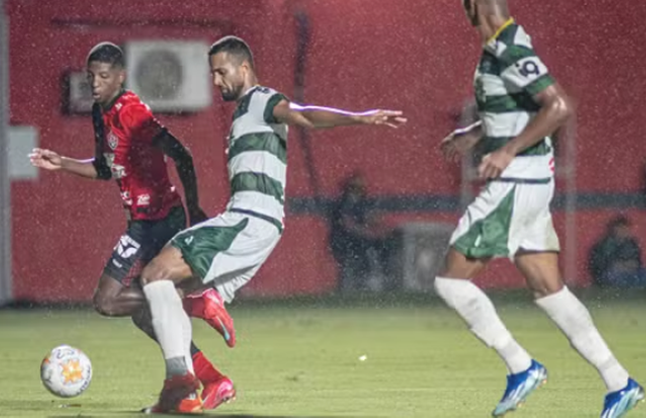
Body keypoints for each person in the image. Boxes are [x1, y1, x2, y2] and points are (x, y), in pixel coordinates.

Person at [136, 35, 405, 414]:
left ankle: (180, 384)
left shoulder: (260, 99)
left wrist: (358, 117)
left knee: (155, 274)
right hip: (256, 224)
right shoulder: (244, 113)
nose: (216, 81)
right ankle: (211, 374)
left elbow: (303, 115)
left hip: (248, 219)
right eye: (212, 74)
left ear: (244, 68)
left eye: (221, 72)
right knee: (149, 306)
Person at [437, 2, 644, 417]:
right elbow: (523, 107)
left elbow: (559, 106)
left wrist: (508, 151)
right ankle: (619, 382)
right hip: (532, 183)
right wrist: (476, 132)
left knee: (451, 282)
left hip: (516, 183)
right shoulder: (502, 45)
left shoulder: (508, 47)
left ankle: (521, 366)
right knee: (549, 290)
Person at [28, 42, 236, 410]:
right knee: (142, 314)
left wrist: (194, 207)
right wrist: (62, 163)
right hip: (142, 221)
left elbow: (181, 153)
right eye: (91, 76)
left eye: (103, 76)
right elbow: (105, 168)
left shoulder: (132, 112)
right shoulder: (101, 111)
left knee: (109, 301)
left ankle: (195, 305)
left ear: (120, 77)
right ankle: (209, 379)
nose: (95, 83)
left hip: (160, 218)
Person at [329, 172, 390, 293]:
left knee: (377, 249)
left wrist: (381, 228)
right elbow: (347, 224)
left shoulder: (360, 203)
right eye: (357, 187)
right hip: (344, 240)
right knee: (354, 259)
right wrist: (366, 232)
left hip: (357, 241)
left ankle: (369, 282)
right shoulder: (344, 203)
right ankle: (353, 286)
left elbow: (369, 218)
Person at [589, 215, 646, 288]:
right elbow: (598, 264)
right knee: (614, 277)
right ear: (614, 229)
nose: (625, 230)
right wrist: (615, 265)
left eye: (626, 228)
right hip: (611, 273)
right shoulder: (604, 244)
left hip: (631, 272)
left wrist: (633, 264)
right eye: (621, 228)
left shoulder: (632, 243)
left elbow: (638, 261)